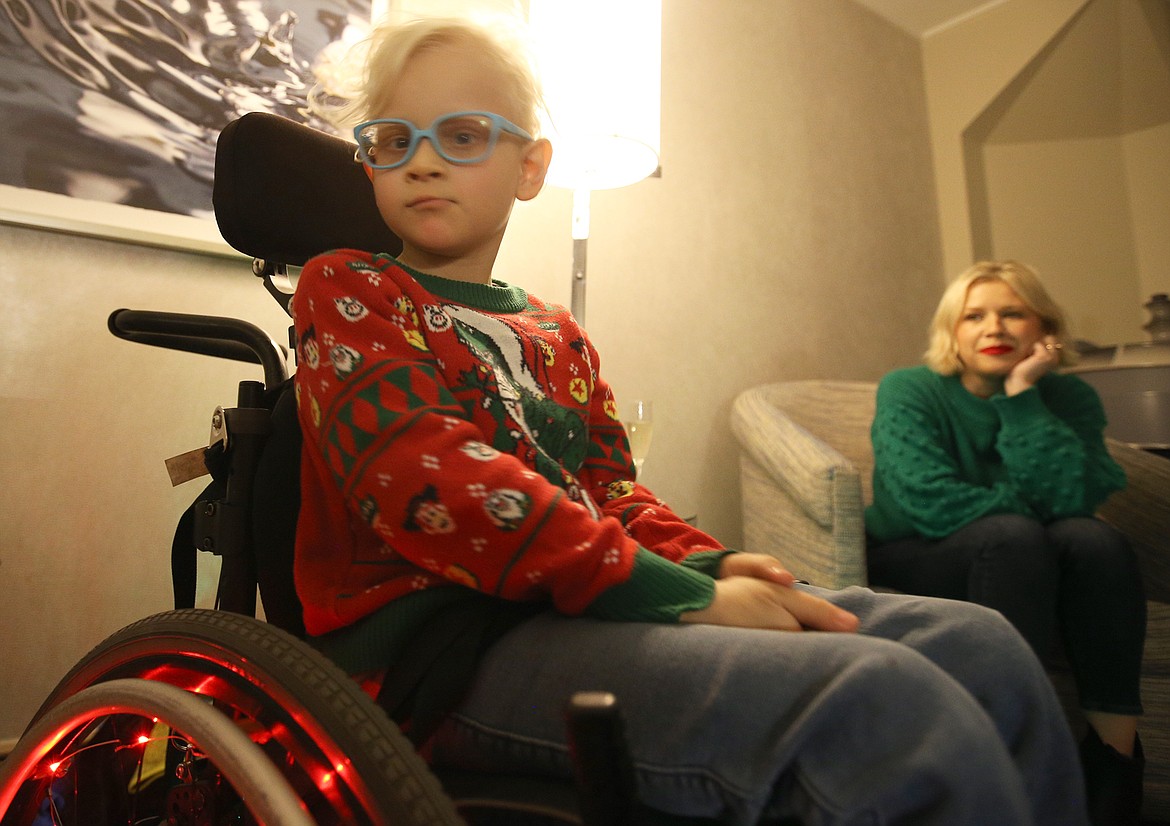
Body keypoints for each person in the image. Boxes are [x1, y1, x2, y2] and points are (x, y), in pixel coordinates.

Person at [291, 17, 1089, 824]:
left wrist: (715, 568)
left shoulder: (557, 334)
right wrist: (676, 596)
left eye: (461, 135)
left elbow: (612, 495)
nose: (421, 160)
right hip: (448, 652)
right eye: (393, 140)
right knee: (880, 701)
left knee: (981, 646)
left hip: (577, 600)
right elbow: (434, 485)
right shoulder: (349, 290)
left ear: (531, 167)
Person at [865, 260, 1146, 825]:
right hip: (919, 548)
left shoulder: (1070, 400)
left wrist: (1021, 396)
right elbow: (928, 500)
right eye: (975, 316)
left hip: (1022, 546)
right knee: (1017, 536)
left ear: (1042, 326)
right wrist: (1037, 511)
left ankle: (1115, 758)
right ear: (953, 332)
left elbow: (1074, 498)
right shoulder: (910, 390)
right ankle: (1016, 750)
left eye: (1011, 313)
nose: (993, 328)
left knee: (1096, 542)